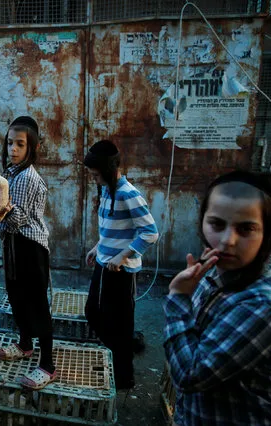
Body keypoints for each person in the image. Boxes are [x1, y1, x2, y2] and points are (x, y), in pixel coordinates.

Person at [163, 171, 271, 425]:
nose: (228, 241)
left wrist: (178, 298)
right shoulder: (210, 275)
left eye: (246, 228)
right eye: (217, 224)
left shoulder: (264, 306)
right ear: (202, 223)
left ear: (266, 234)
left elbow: (191, 374)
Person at [83, 140, 158, 390]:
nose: (94, 179)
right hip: (104, 263)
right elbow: (113, 228)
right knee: (93, 312)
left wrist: (124, 255)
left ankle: (125, 376)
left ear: (107, 169)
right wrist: (98, 247)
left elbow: (150, 232)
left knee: (121, 323)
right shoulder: (106, 189)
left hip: (121, 271)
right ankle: (123, 348)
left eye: (95, 174)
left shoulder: (129, 193)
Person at [0, 116, 56, 390]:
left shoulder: (26, 177)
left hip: (30, 248)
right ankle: (25, 344)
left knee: (37, 305)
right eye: (10, 143)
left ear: (33, 147)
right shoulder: (11, 172)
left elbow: (15, 219)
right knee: (16, 297)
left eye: (20, 144)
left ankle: (48, 365)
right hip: (14, 245)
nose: (13, 149)